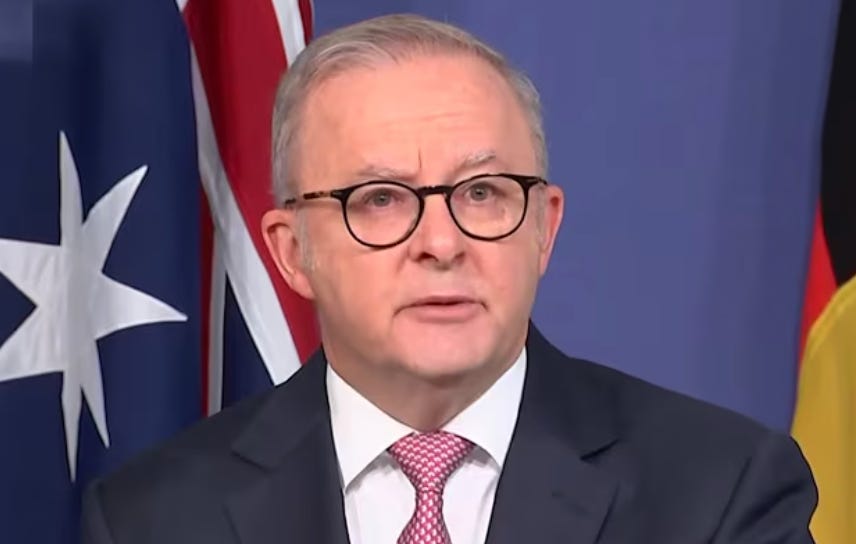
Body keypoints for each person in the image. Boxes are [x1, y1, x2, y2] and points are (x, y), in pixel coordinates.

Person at [81, 13, 817, 544]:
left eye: (483, 193)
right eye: (379, 199)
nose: (442, 243)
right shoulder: (153, 519)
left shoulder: (721, 492)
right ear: (292, 252)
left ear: (544, 228)